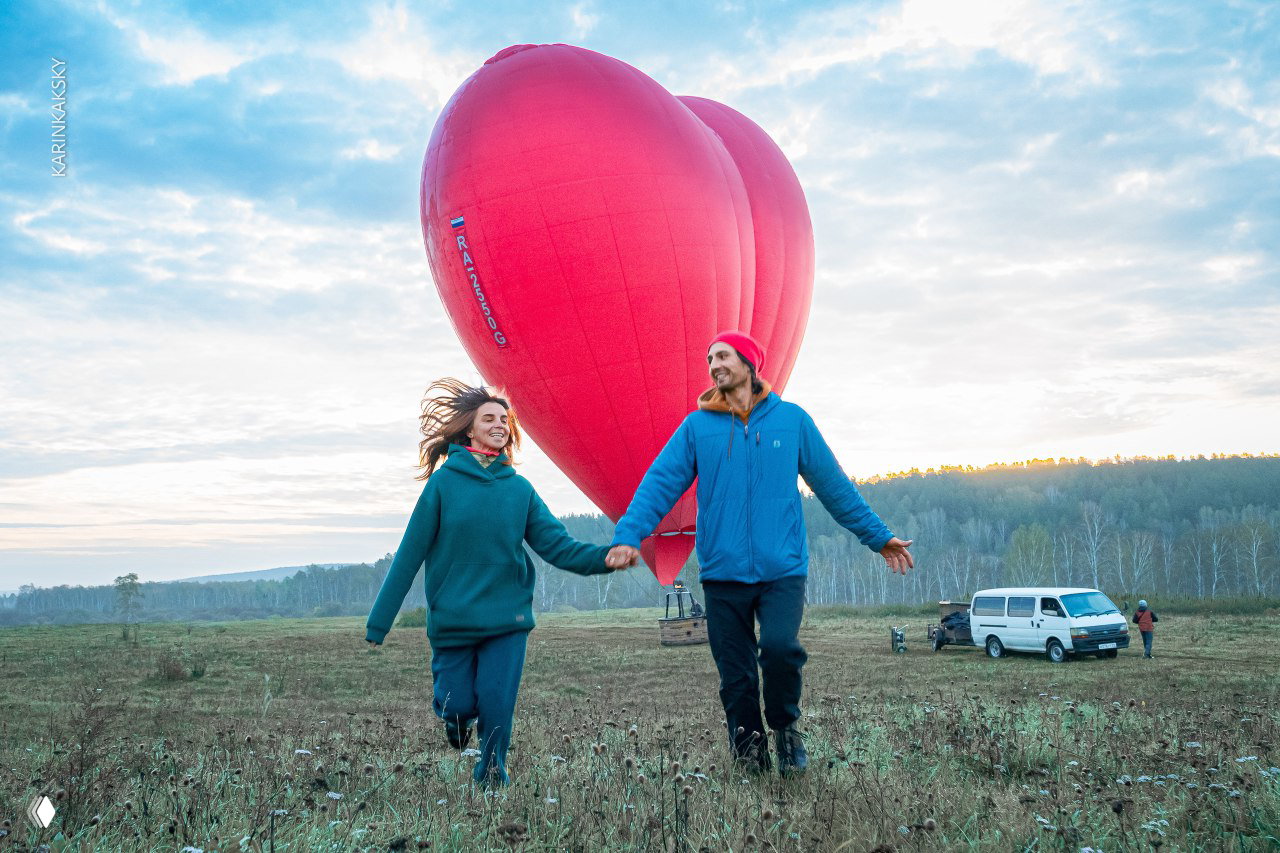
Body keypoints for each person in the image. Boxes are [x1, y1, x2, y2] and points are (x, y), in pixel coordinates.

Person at [606, 331, 914, 775]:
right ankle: (749, 752)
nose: (714, 364)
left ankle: (786, 728)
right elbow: (660, 483)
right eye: (709, 357)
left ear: (750, 364)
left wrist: (878, 536)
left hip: (781, 569)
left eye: (724, 355)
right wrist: (629, 534)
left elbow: (832, 485)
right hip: (722, 570)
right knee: (736, 675)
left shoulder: (792, 421)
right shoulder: (697, 428)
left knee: (780, 648)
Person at [364, 378, 634, 787]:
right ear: (468, 429)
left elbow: (557, 546)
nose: (499, 424)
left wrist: (605, 558)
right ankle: (455, 722)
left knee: (496, 704)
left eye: (504, 419)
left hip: (507, 620)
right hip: (453, 619)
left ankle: (492, 776)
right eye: (488, 418)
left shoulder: (519, 489)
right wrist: (379, 623)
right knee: (457, 704)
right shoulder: (443, 485)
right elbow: (409, 554)